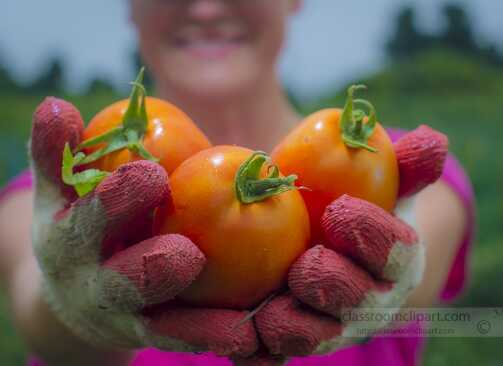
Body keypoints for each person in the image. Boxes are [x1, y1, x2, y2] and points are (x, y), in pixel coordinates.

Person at [0, 1, 475, 365]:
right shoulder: (50, 201)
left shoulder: (406, 178)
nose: (205, 8)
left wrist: (391, 283)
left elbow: (416, 281)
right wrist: (73, 311)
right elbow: (34, 313)